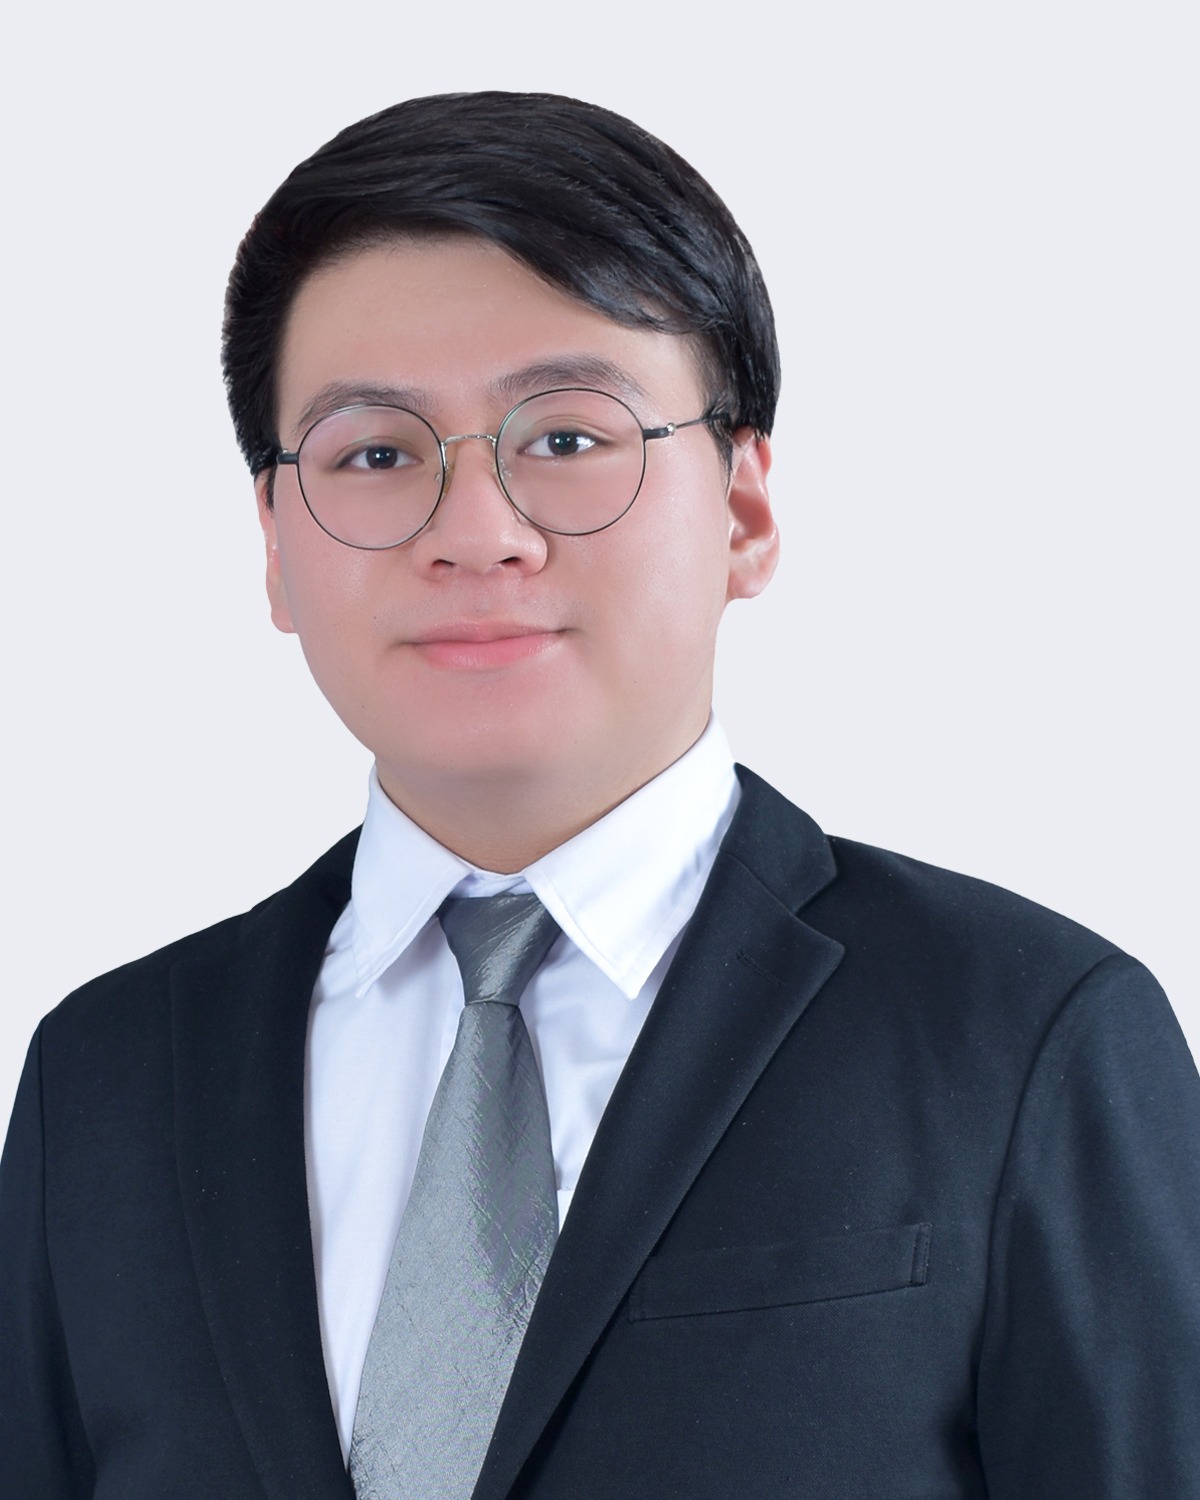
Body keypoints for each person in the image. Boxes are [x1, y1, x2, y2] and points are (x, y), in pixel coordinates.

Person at [1, 90, 1197, 1500]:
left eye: (567, 440)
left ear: (743, 509)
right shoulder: (106, 1078)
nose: (478, 534)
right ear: (274, 539)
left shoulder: (1024, 1034)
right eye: (376, 454)